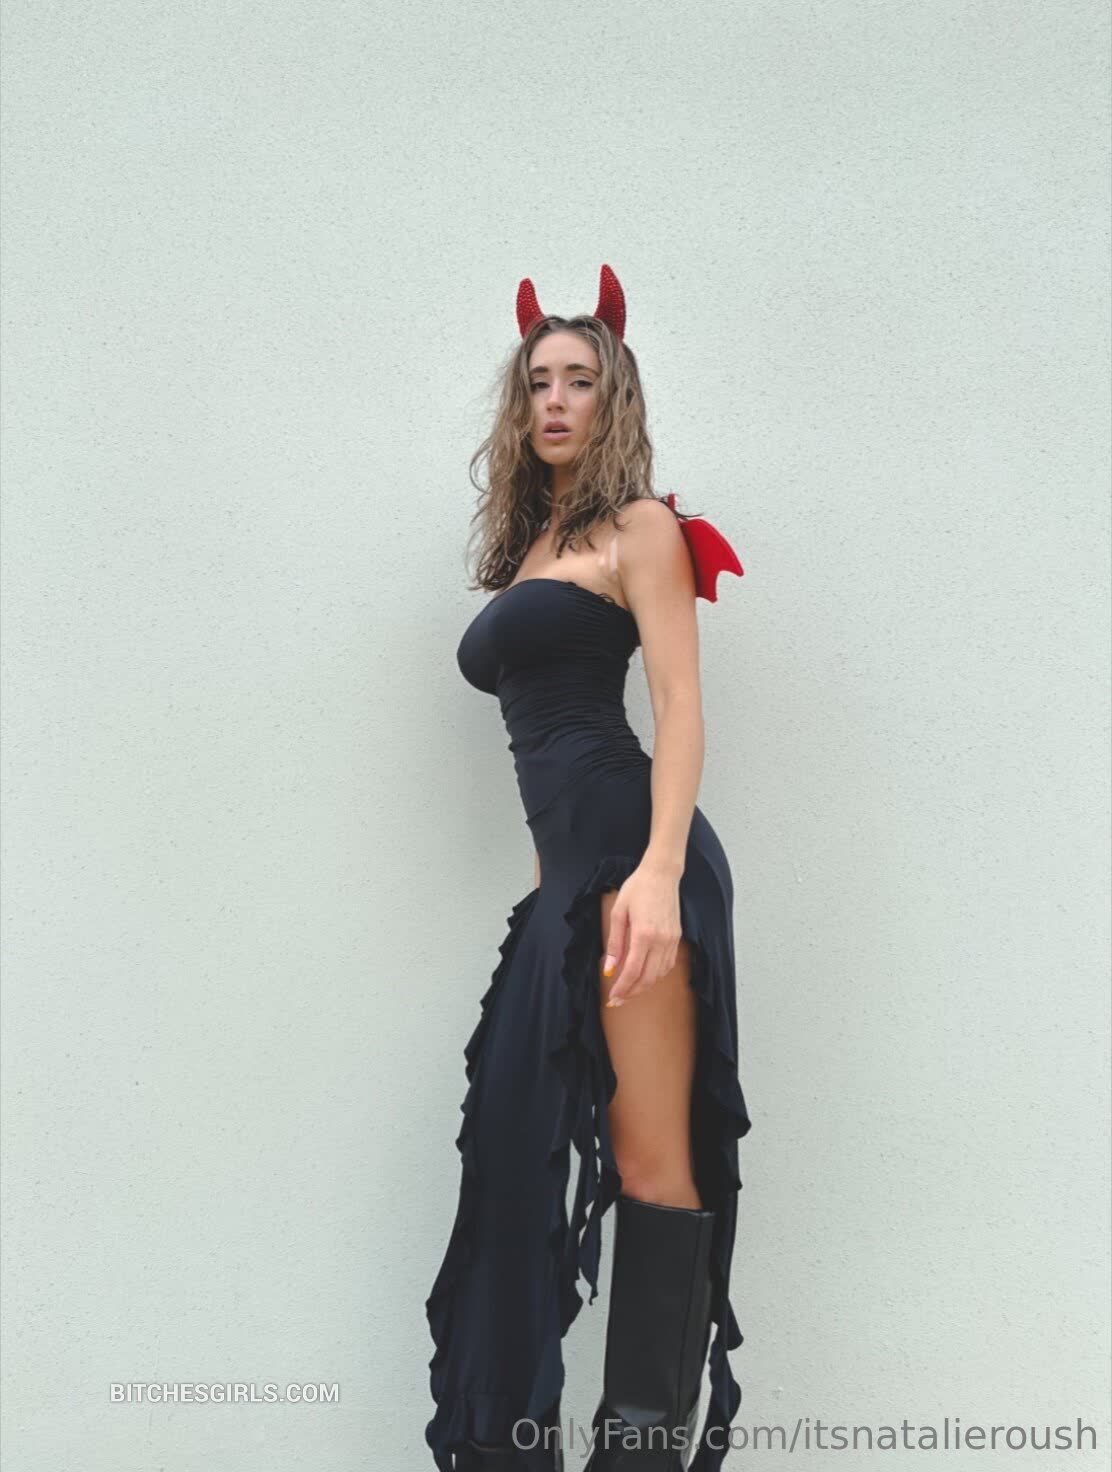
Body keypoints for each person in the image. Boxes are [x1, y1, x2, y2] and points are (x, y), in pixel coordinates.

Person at [424, 264, 753, 1471]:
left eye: (577, 379)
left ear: (613, 396)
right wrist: (546, 885)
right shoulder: (535, 547)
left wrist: (655, 874)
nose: (554, 400)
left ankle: (639, 1457)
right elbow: (536, 748)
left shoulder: (639, 528)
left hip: (632, 858)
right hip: (566, 881)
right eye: (536, 383)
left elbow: (679, 705)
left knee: (650, 1156)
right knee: (515, 1148)